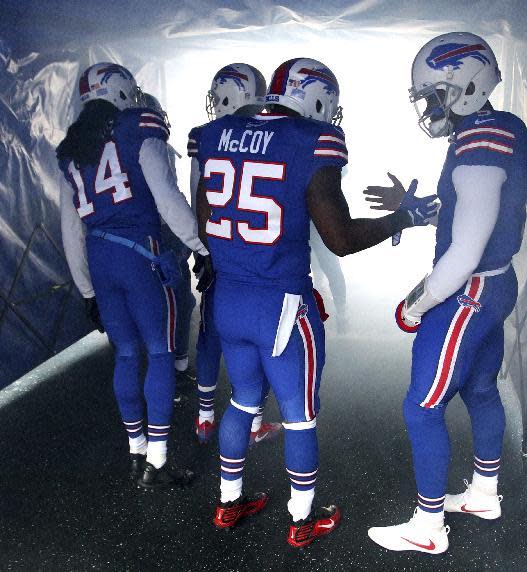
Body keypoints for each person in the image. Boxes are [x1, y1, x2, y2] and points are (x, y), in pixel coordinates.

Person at [193, 57, 438, 544]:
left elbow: (204, 222)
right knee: (299, 415)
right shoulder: (312, 140)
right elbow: (340, 237)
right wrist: (403, 219)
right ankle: (302, 520)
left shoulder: (214, 133)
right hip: (281, 304)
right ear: (320, 98)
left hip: (229, 299)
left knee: (242, 402)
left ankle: (227, 503)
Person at [365, 32, 527, 554]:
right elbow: (474, 208)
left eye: (434, 94)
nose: (429, 107)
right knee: (480, 389)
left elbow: (465, 249)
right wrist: (415, 209)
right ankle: (484, 493)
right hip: (496, 281)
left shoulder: (480, 140)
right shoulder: (500, 128)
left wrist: (417, 303)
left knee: (422, 407)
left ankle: (428, 528)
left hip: (470, 290)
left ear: (465, 83)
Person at [57, 62, 212, 490]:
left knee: (126, 354)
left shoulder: (73, 147)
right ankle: (159, 461)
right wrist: (202, 247)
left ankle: (136, 450)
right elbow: (168, 199)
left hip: (100, 256)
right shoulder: (136, 128)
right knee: (160, 355)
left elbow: (70, 226)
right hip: (141, 253)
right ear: (125, 92)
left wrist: (86, 286)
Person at [188, 64, 282, 446]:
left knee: (211, 330)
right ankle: (255, 417)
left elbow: (199, 197)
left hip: (219, 247)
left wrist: (201, 248)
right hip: (256, 255)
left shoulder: (208, 136)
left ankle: (206, 416)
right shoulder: (274, 136)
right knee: (258, 338)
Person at [142, 92, 198, 395]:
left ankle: (164, 367)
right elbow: (168, 199)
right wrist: (195, 243)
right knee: (177, 301)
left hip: (124, 240)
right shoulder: (153, 146)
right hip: (162, 234)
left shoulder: (109, 147)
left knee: (150, 305)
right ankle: (174, 369)